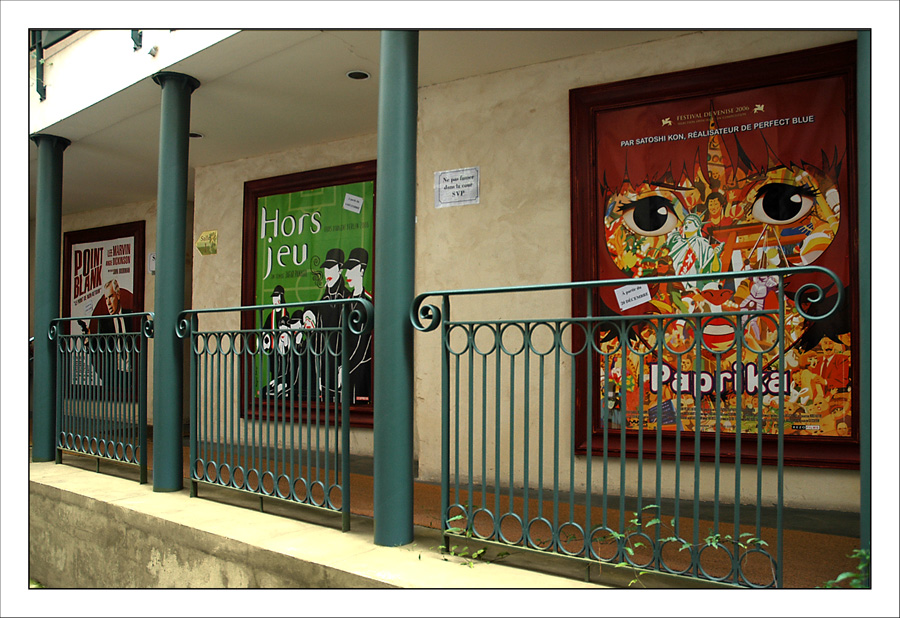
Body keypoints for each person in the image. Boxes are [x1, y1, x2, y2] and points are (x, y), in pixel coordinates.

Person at [343, 247, 373, 405]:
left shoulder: (369, 302)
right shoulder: (346, 302)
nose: (347, 275)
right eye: (346, 270)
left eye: (351, 270)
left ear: (362, 270)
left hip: (362, 369)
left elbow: (365, 342)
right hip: (345, 367)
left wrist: (347, 367)